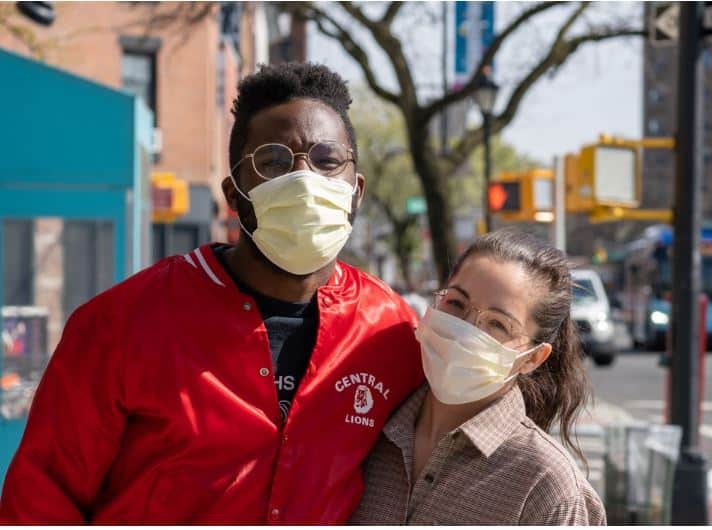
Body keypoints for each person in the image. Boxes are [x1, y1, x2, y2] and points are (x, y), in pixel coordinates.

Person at [0, 62, 424, 524]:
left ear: (356, 191)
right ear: (234, 194)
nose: (305, 180)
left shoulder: (393, 331)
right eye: (274, 162)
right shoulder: (122, 324)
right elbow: (40, 499)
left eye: (327, 160)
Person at [350, 227, 606, 525]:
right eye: (456, 303)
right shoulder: (365, 430)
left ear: (533, 358)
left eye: (498, 324)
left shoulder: (547, 488)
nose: (466, 331)